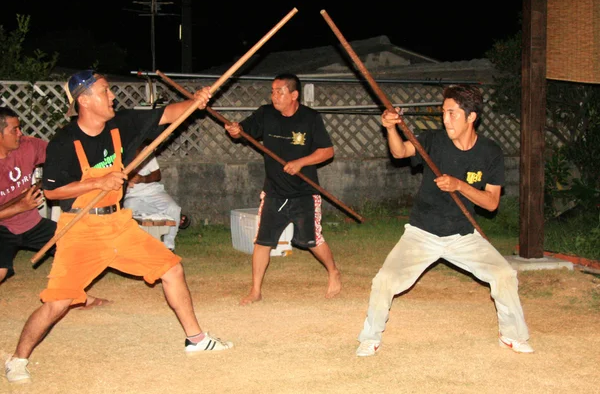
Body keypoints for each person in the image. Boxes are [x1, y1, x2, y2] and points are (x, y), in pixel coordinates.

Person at [5, 70, 233, 385]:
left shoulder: (121, 124)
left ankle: (196, 339)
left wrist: (195, 102)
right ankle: (17, 360)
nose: (112, 96)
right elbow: (52, 191)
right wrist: (98, 181)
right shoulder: (64, 142)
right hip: (82, 229)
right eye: (104, 91)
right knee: (58, 302)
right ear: (84, 100)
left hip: (118, 223)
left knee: (172, 269)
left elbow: (167, 114)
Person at [355, 85, 533, 357]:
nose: (445, 119)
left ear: (471, 117)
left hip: (463, 235)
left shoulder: (490, 152)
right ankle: (370, 338)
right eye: (443, 113)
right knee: (385, 280)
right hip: (421, 233)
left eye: (452, 113)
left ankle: (512, 336)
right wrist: (390, 127)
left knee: (504, 275)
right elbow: (400, 152)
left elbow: (491, 202)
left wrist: (459, 185)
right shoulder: (433, 140)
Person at [224, 73, 342, 306]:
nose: (274, 96)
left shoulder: (310, 118)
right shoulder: (266, 114)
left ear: (294, 95)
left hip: (304, 192)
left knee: (312, 240)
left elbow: (327, 151)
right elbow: (244, 131)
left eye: (280, 91)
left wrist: (301, 162)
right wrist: (236, 131)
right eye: (272, 91)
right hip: (274, 191)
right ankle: (256, 290)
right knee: (262, 241)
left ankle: (333, 271)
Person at [0, 107, 109, 309]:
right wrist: (19, 206)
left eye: (19, 128)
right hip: (2, 229)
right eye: (14, 130)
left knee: (75, 250)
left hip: (32, 223)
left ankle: (78, 296)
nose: (20, 133)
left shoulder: (28, 146)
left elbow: (61, 156)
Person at [124, 141, 182, 252]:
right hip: (132, 196)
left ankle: (169, 246)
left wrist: (142, 179)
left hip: (152, 191)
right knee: (129, 208)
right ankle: (138, 246)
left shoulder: (146, 150)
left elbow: (157, 175)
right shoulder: (120, 152)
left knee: (173, 209)